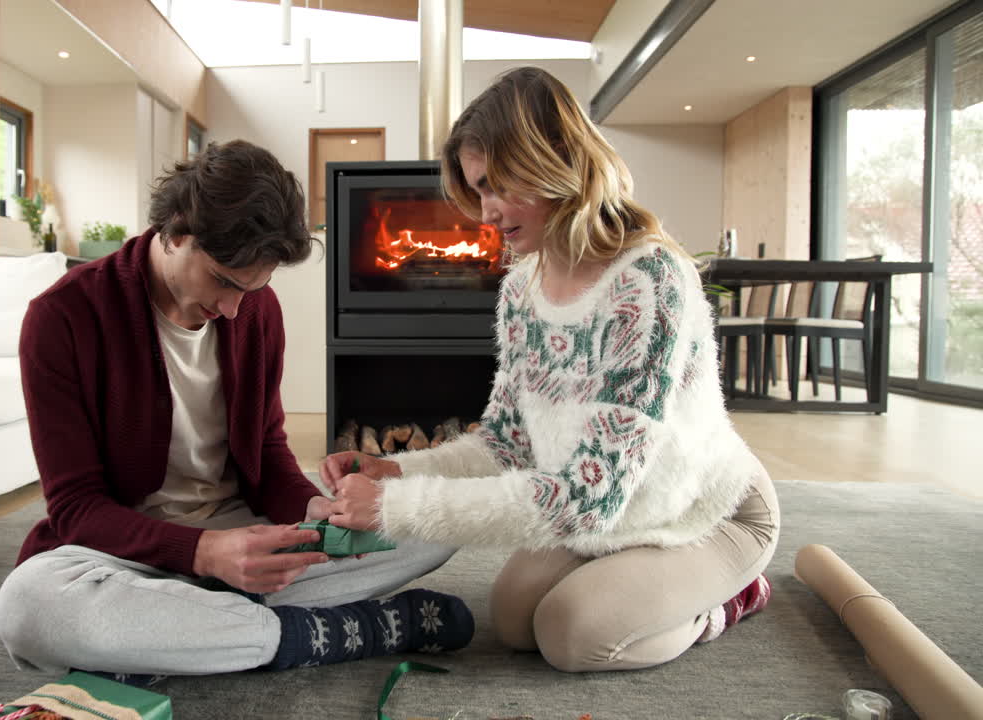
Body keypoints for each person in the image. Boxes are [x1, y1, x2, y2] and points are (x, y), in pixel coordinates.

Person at [321, 67, 779, 673]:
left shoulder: (648, 283)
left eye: (496, 187)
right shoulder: (520, 290)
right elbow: (508, 446)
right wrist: (393, 472)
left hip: (706, 511)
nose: (485, 214)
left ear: (552, 160)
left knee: (573, 635)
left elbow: (588, 497)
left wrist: (393, 511)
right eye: (476, 192)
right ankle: (635, 581)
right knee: (513, 621)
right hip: (616, 513)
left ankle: (729, 599)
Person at [0, 140, 473, 682]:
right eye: (224, 280)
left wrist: (314, 508)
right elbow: (76, 507)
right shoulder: (63, 318)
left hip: (247, 534)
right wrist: (202, 552)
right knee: (28, 606)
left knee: (434, 519)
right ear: (176, 232)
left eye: (254, 286)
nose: (232, 308)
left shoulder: (254, 310)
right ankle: (325, 633)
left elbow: (267, 452)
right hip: (124, 552)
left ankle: (179, 635)